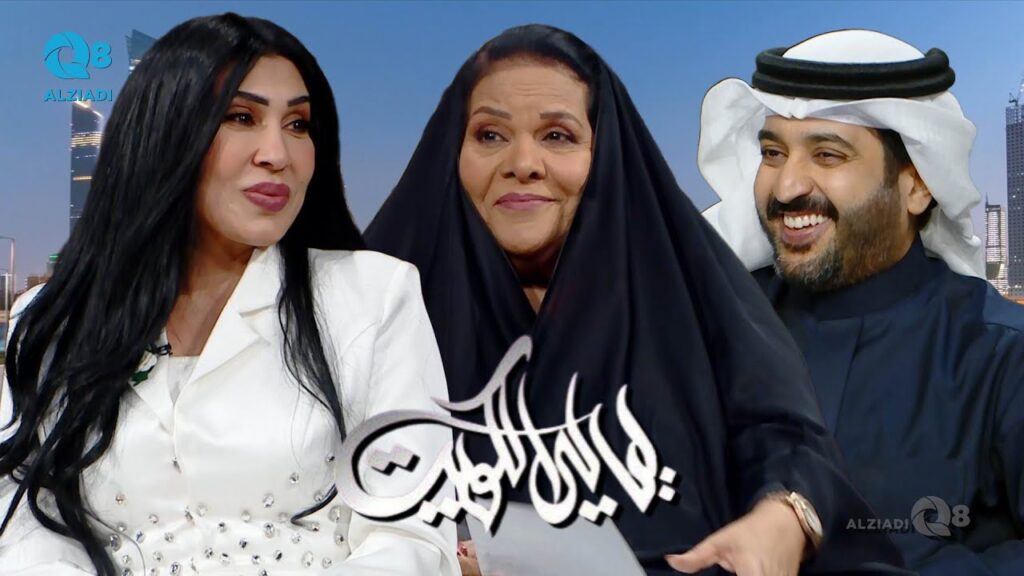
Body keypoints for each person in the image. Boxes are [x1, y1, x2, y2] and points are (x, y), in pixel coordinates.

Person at [366, 24, 905, 576]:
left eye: (558, 136)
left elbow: (785, 436)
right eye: (490, 135)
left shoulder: (688, 292)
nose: (522, 162)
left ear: (606, 152)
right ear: (451, 150)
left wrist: (782, 518)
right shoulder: (374, 302)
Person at [0, 13, 456, 576]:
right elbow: (27, 527)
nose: (277, 153)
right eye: (241, 117)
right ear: (164, 133)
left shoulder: (374, 296)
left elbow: (410, 535)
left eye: (298, 124)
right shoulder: (53, 320)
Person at [699, 29, 1024, 575]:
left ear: (917, 186)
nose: (786, 187)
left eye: (828, 154)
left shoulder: (1000, 358)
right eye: (773, 153)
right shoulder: (712, 327)